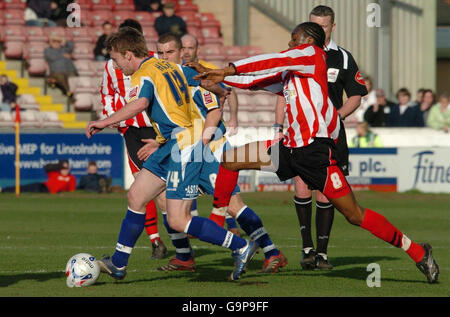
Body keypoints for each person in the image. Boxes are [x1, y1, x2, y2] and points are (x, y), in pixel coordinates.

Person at [192, 21, 439, 284]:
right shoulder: (292, 71)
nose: (290, 44)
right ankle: (218, 224)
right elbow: (255, 81)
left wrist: (225, 69)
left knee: (354, 214)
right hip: (289, 148)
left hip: (315, 152)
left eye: (293, 39)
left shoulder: (312, 55)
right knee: (231, 160)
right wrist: (218, 76)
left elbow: (272, 60)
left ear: (308, 41)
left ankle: (418, 251)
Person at [86, 27, 259, 282]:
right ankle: (118, 263)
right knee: (136, 196)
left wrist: (104, 121)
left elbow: (140, 103)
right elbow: (201, 77)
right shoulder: (169, 66)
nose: (117, 65)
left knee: (178, 219)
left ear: (129, 54)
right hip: (170, 144)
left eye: (116, 59)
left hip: (184, 146)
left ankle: (240, 246)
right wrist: (221, 92)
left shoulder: (143, 74)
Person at [156, 33, 286, 273]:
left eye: (187, 48)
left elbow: (222, 92)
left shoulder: (199, 77)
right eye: (180, 48)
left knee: (234, 205)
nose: (184, 52)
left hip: (211, 150)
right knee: (164, 198)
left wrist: (217, 96)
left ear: (195, 50)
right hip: (186, 150)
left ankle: (271, 252)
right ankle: (184, 256)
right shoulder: (171, 78)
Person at [273, 5, 368, 270]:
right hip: (298, 133)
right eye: (313, 25)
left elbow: (357, 94)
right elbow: (283, 92)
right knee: (302, 186)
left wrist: (336, 116)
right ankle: (306, 249)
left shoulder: (343, 58)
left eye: (323, 26)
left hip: (330, 134)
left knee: (327, 194)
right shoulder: (297, 55)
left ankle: (323, 253)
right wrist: (277, 126)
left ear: (332, 27)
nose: (317, 30)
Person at [100, 19, 167, 260]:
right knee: (140, 189)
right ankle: (155, 241)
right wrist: (114, 120)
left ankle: (186, 245)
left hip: (157, 132)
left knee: (164, 197)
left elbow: (143, 101)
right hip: (132, 132)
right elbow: (107, 93)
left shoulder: (155, 63)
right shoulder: (111, 66)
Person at [182, 34, 239, 136]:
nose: (186, 52)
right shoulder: (176, 70)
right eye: (183, 48)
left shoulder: (209, 68)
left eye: (190, 48)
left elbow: (230, 91)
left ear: (198, 50)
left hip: (212, 126)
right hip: (188, 127)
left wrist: (233, 118)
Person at [1, 160, 76, 194]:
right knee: (23, 188)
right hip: (42, 186)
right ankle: (3, 190)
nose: (65, 170)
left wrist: (61, 191)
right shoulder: (55, 173)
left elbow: (71, 190)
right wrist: (58, 166)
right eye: (63, 168)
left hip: (48, 192)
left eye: (66, 168)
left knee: (26, 191)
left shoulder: (71, 177)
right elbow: (47, 167)